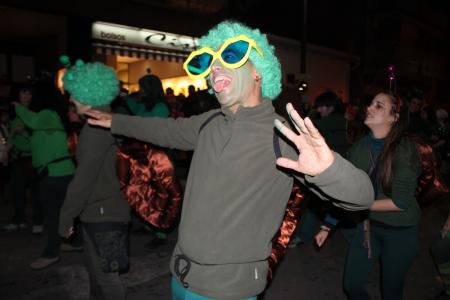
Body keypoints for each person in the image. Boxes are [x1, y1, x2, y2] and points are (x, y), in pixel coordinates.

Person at [86, 20, 374, 299]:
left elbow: (362, 197)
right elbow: (163, 129)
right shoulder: (209, 121)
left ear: (259, 72)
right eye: (209, 61)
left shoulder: (281, 137)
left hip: (228, 290)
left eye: (230, 55)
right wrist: (115, 121)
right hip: (181, 275)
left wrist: (328, 170)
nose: (214, 67)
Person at [317, 92, 422, 299]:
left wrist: (357, 205)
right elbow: (346, 190)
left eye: (379, 106)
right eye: (371, 103)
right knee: (352, 285)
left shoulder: (404, 149)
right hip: (368, 228)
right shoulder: (359, 147)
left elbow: (401, 202)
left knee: (391, 292)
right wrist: (327, 225)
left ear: (394, 117)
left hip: (400, 231)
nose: (370, 108)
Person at [58, 59, 131, 300]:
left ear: (89, 95)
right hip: (102, 211)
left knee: (106, 279)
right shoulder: (106, 123)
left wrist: (66, 215)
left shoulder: (95, 131)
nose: (70, 100)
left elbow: (83, 180)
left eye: (74, 95)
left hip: (104, 215)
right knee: (97, 277)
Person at [13, 80, 76, 269]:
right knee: (66, 212)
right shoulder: (49, 117)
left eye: (32, 94)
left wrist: (18, 108)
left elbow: (31, 120)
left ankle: (51, 253)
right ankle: (74, 241)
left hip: (56, 174)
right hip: (57, 173)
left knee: (52, 216)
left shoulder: (47, 115)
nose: (29, 98)